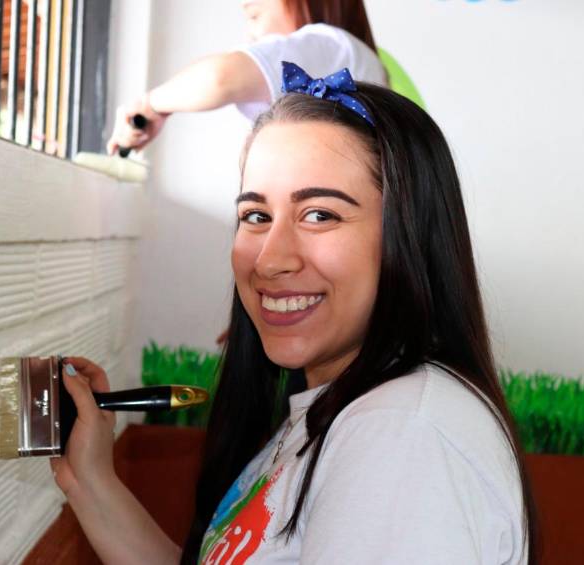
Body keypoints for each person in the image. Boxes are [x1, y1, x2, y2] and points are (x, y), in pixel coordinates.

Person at [55, 65, 537, 564]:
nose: (270, 258)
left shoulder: (402, 435)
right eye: (256, 216)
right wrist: (89, 479)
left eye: (320, 215)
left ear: (409, 235)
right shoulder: (344, 408)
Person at [106, 0, 387, 156]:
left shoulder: (331, 44)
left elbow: (220, 78)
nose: (249, 36)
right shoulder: (356, 59)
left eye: (254, 16)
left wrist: (150, 104)